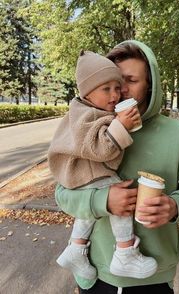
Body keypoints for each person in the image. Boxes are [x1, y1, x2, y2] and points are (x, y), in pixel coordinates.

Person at [55, 41, 179, 294]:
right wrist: (102, 201)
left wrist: (176, 206)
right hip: (95, 274)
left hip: (154, 277)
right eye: (115, 82)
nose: (120, 91)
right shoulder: (89, 132)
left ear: (150, 84)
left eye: (131, 80)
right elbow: (62, 194)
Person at [48, 50, 158, 282]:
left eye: (117, 87)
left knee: (95, 206)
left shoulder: (91, 109)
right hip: (80, 172)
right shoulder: (84, 114)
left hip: (82, 175)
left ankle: (76, 249)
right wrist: (121, 126)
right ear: (87, 92)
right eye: (106, 89)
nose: (117, 94)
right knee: (119, 194)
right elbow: (100, 149)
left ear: (151, 84)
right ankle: (125, 251)